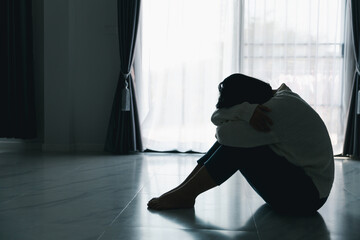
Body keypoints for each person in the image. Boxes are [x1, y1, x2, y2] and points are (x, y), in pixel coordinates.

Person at [147, 73, 334, 215]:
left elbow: (224, 134)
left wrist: (242, 113)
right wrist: (245, 111)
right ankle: (184, 191)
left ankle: (186, 194)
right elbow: (218, 118)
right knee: (238, 138)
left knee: (238, 144)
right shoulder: (280, 97)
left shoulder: (272, 110)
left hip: (306, 199)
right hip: (306, 190)